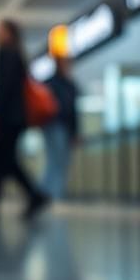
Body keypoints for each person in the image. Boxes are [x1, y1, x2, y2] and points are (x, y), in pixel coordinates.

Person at [0, 19, 48, 220]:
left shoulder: (6, 53)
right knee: (4, 160)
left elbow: (2, 88)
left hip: (8, 118)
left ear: (9, 33)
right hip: (16, 117)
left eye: (0, 29)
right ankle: (27, 196)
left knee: (2, 160)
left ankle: (29, 196)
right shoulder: (17, 54)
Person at [43, 56, 79, 201]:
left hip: (62, 127)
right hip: (55, 125)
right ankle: (51, 194)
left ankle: (47, 193)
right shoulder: (58, 84)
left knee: (59, 161)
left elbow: (74, 111)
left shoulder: (66, 84)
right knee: (57, 161)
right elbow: (70, 109)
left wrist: (75, 132)